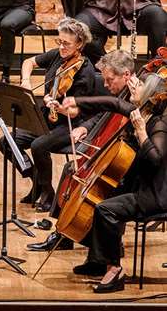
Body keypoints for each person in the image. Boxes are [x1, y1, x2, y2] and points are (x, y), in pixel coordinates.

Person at [65, 73, 167, 293]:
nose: (133, 87)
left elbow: (156, 160)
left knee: (105, 210)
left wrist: (140, 133)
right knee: (101, 199)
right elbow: (112, 103)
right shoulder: (143, 113)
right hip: (140, 184)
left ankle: (115, 270)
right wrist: (76, 101)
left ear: (149, 93)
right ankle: (98, 262)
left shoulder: (159, 123)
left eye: (139, 85)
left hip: (155, 194)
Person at [28, 50, 134, 252]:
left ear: (126, 75)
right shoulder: (120, 91)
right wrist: (84, 128)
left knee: (100, 185)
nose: (105, 85)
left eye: (109, 80)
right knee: (71, 169)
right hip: (112, 156)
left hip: (129, 166)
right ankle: (62, 234)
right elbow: (105, 112)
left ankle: (105, 244)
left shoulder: (138, 98)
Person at [3, 18, 97, 211]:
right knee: (7, 142)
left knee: (38, 146)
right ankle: (37, 180)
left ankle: (48, 192)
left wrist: (60, 106)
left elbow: (76, 111)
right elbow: (29, 62)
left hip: (69, 124)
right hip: (47, 118)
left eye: (67, 43)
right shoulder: (58, 56)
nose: (61, 47)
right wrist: (26, 81)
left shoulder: (85, 71)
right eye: (59, 41)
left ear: (79, 44)